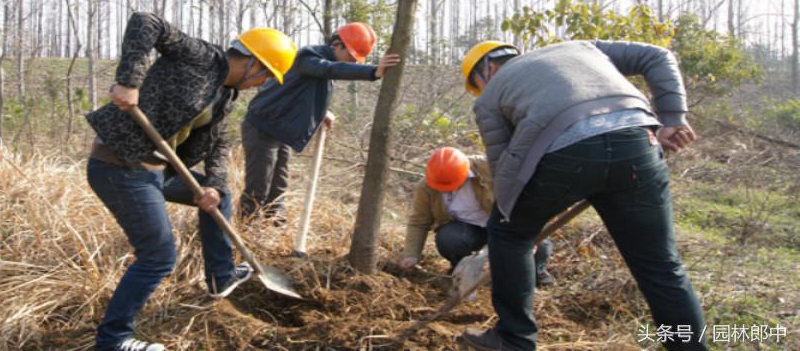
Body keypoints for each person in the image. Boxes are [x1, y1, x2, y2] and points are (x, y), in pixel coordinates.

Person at [457, 40, 707, 351]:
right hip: (637, 143)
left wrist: (509, 216)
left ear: (488, 69)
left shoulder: (490, 96)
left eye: (477, 84)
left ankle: (514, 339)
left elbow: (503, 165)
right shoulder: (582, 47)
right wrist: (671, 117)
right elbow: (657, 55)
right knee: (660, 266)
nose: (481, 90)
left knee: (508, 234)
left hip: (564, 155)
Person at [85, 11, 297, 351]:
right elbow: (145, 22)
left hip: (157, 172)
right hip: (120, 167)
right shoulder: (200, 57)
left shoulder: (225, 95)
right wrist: (129, 81)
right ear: (252, 64)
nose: (261, 84)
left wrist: (213, 184)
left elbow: (218, 142)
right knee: (158, 256)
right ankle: (114, 340)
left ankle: (221, 276)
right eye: (265, 76)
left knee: (222, 196)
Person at [239, 21, 400, 221]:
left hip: (280, 129)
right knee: (258, 187)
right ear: (337, 45)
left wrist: (321, 111)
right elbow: (329, 70)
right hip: (262, 127)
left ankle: (275, 227)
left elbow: (301, 90)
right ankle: (246, 232)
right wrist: (372, 71)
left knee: (278, 186)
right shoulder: (307, 57)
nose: (354, 62)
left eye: (356, 59)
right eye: (351, 56)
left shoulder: (318, 66)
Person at [399, 147, 553, 286]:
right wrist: (411, 254)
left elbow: (522, 196)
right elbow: (419, 222)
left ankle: (536, 274)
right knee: (448, 239)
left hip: (504, 222)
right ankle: (461, 270)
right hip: (469, 229)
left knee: (540, 244)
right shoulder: (426, 187)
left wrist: (526, 231)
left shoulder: (490, 167)